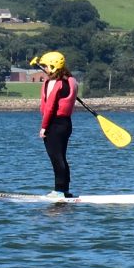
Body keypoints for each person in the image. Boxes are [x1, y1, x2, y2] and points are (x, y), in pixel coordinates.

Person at [36, 51, 81, 197]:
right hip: (66, 124)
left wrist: (44, 127)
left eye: (46, 67)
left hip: (54, 124)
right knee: (61, 156)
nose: (45, 70)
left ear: (54, 67)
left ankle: (59, 191)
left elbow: (49, 107)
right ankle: (65, 189)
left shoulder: (54, 83)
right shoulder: (71, 81)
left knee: (56, 157)